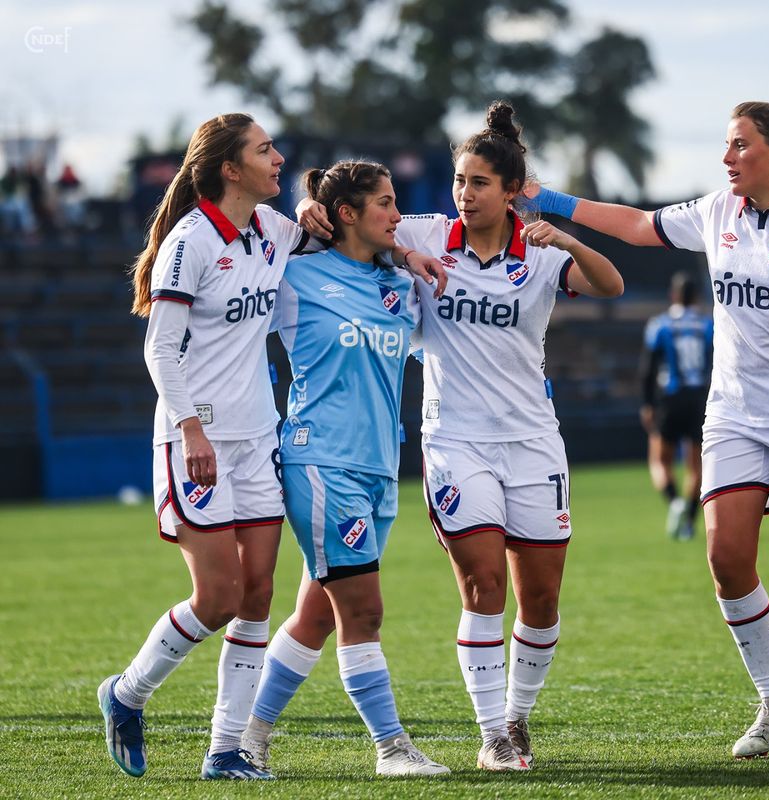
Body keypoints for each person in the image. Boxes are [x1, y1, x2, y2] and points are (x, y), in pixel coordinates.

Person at [298, 100, 624, 771]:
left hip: (534, 443)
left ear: (510, 191)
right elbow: (348, 215)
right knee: (483, 585)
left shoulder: (536, 252)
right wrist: (310, 211)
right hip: (455, 443)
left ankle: (517, 716)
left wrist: (567, 241)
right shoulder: (425, 230)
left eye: (479, 183)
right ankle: (492, 736)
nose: (464, 195)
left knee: (540, 600)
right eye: (459, 181)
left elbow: (610, 284)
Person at [529, 101, 769, 762]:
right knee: (726, 560)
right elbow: (637, 225)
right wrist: (548, 198)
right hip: (730, 413)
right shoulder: (718, 212)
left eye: (740, 145)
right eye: (726, 145)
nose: (727, 157)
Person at [97, 113, 312, 781]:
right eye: (264, 150)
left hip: (258, 438)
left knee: (257, 596)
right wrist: (190, 427)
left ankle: (225, 751)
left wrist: (311, 204)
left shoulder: (274, 230)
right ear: (229, 168)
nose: (278, 159)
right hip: (198, 439)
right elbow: (160, 347)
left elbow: (322, 223)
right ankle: (125, 693)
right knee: (217, 598)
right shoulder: (189, 242)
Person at [237, 160, 449, 778]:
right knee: (364, 612)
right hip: (321, 460)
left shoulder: (400, 284)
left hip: (381, 467)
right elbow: (238, 279)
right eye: (383, 203)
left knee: (318, 614)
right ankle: (391, 748)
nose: (396, 213)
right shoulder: (296, 276)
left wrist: (406, 257)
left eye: (395, 201)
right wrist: (304, 221)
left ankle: (249, 737)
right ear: (347, 213)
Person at [639, 271, 713, 540]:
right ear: (696, 296)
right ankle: (690, 523)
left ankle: (675, 503)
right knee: (697, 467)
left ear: (673, 296)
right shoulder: (707, 325)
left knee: (659, 461)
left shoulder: (660, 324)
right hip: (699, 399)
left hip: (669, 399)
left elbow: (647, 369)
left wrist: (647, 404)